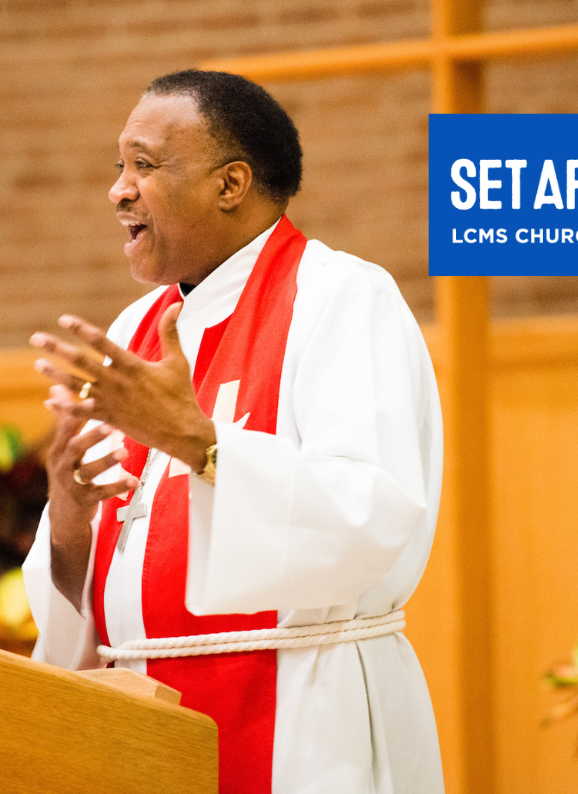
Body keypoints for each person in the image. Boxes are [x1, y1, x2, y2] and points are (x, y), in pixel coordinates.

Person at [22, 70, 444, 794]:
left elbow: (370, 515)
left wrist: (200, 443)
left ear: (231, 183)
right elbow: (94, 598)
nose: (119, 189)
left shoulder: (341, 298)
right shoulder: (136, 332)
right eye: (118, 166)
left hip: (306, 716)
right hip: (145, 723)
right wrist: (67, 516)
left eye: (144, 165)